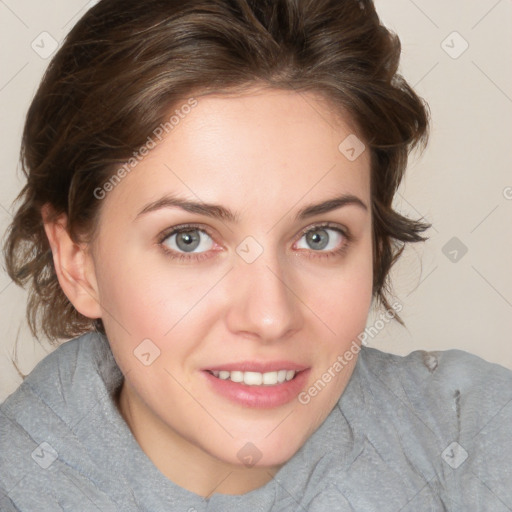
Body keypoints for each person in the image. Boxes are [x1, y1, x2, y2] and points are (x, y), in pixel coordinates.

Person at [1, 0, 511, 510]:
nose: (270, 316)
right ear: (77, 262)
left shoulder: (476, 432)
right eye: (189, 239)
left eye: (319, 237)